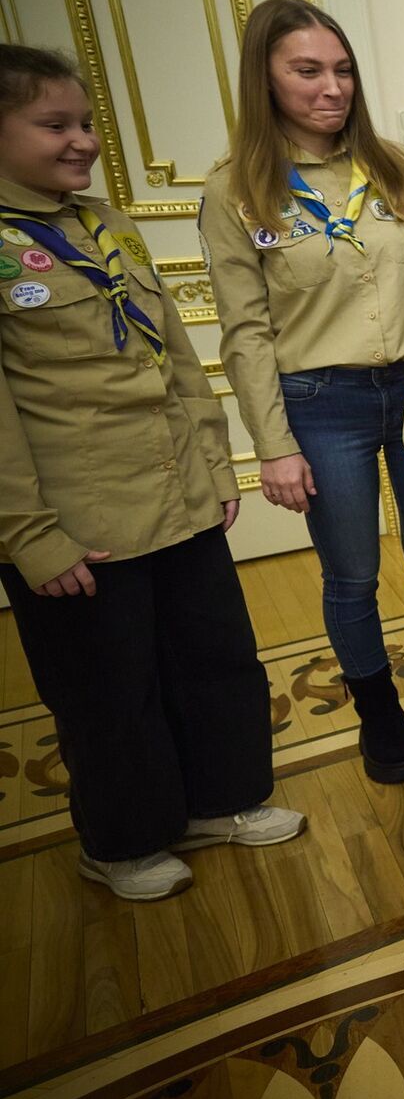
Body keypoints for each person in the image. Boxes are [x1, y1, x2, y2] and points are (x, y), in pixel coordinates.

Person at [0, 44, 304, 902]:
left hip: (177, 497)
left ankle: (224, 798)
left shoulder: (105, 224)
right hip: (81, 524)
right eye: (54, 125)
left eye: (87, 123)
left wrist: (216, 465)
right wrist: (29, 536)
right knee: (108, 692)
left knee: (216, 659)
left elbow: (174, 359)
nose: (83, 142)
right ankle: (123, 841)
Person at [202, 0, 404, 783]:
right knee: (350, 570)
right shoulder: (236, 192)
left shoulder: (394, 171)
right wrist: (272, 446)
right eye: (307, 70)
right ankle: (378, 711)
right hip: (323, 403)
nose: (332, 87)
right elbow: (246, 333)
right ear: (266, 80)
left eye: (342, 69)